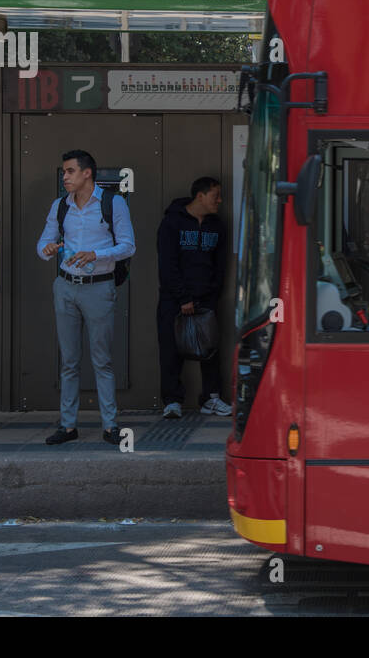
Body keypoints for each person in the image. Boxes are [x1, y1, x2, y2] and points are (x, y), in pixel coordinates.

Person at [36, 149, 136, 446]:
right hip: (65, 286)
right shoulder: (60, 206)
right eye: (64, 172)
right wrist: (48, 249)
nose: (64, 177)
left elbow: (129, 246)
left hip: (99, 286)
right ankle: (68, 426)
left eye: (69, 171)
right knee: (68, 361)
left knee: (102, 360)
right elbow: (42, 243)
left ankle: (110, 425)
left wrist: (97, 254)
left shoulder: (112, 203)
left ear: (86, 173)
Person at [156, 177, 232, 419]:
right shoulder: (172, 223)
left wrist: (212, 295)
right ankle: (172, 401)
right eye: (215, 195)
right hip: (174, 300)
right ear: (200, 196)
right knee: (171, 349)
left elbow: (220, 265)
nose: (219, 201)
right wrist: (182, 297)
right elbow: (167, 265)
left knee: (210, 349)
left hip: (206, 299)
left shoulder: (216, 226)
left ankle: (211, 398)